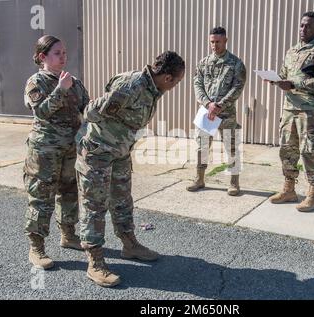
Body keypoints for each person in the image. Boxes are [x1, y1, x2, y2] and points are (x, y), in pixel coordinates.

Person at [76, 51, 185, 287]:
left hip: (120, 153)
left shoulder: (153, 89)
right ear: (167, 77)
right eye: (177, 81)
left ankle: (129, 244)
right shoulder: (133, 85)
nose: (176, 85)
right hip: (98, 152)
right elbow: (92, 111)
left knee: (122, 200)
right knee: (94, 205)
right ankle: (94, 261)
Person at [23, 35, 90, 269]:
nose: (63, 57)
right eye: (57, 53)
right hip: (44, 152)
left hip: (71, 150)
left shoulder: (74, 82)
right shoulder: (36, 82)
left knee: (69, 193)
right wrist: (61, 90)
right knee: (41, 197)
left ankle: (68, 235)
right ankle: (37, 248)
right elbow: (41, 112)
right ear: (43, 57)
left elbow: (87, 110)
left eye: (64, 52)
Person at [267, 12, 314, 212]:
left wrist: (293, 83)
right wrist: (275, 79)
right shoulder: (292, 51)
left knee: (311, 152)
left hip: (311, 112)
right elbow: (284, 75)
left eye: (307, 26)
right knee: (287, 150)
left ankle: (313, 196)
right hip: (290, 109)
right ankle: (289, 190)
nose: (303, 29)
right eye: (301, 26)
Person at [187, 26, 247, 196]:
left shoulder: (236, 63)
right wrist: (207, 104)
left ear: (225, 41)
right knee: (202, 146)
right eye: (212, 42)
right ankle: (199, 178)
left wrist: (220, 104)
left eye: (218, 42)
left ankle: (234, 182)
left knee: (232, 147)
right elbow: (197, 84)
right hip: (207, 112)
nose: (214, 45)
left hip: (226, 113)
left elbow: (237, 87)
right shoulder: (204, 63)